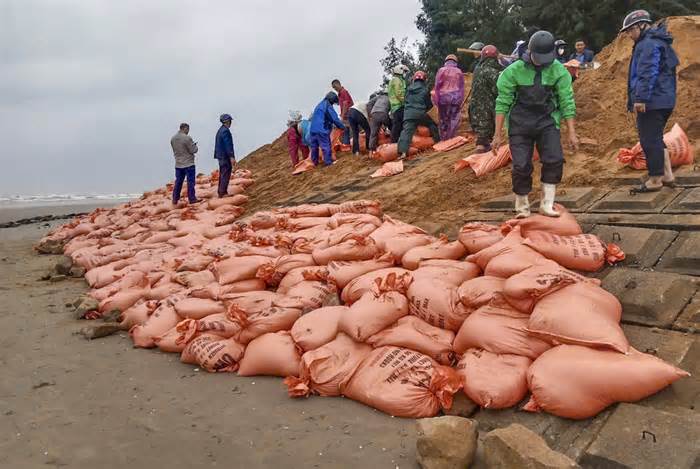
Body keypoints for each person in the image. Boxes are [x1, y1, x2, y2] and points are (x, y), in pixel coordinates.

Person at [492, 31, 579, 218]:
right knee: (521, 165)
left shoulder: (558, 70)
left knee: (554, 159)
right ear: (529, 52)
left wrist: (572, 132)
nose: (543, 62)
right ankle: (522, 206)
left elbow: (566, 101)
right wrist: (497, 134)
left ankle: (547, 203)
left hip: (547, 121)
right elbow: (502, 102)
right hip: (520, 123)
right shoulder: (513, 72)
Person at [621, 10, 679, 192]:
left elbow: (647, 72)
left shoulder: (647, 44)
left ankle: (655, 180)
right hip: (664, 99)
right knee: (656, 138)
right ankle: (668, 175)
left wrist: (640, 98)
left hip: (652, 101)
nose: (629, 35)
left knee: (649, 140)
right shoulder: (660, 41)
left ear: (641, 25)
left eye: (630, 31)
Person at [397, 71, 440, 159]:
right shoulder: (425, 89)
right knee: (432, 124)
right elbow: (429, 105)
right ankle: (438, 142)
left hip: (408, 115)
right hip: (420, 113)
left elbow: (405, 101)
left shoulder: (408, 90)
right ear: (424, 79)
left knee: (406, 131)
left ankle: (403, 153)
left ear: (414, 79)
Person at [469, 45, 502, 152]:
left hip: (475, 109)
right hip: (487, 108)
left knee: (482, 132)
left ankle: (481, 146)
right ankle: (482, 155)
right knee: (486, 131)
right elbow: (499, 91)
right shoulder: (493, 72)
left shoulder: (477, 70)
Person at [309, 92, 345, 166]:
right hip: (321, 129)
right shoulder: (327, 105)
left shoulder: (319, 105)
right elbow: (334, 118)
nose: (333, 104)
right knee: (326, 146)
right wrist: (342, 126)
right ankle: (328, 162)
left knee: (314, 147)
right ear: (331, 100)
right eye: (334, 102)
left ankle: (314, 163)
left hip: (313, 129)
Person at [434, 54, 465, 140]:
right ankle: (451, 138)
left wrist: (437, 100)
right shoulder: (459, 71)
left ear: (446, 61)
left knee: (443, 120)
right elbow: (462, 88)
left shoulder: (441, 70)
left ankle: (444, 139)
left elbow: (437, 86)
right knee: (454, 119)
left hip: (443, 99)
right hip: (455, 98)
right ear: (455, 62)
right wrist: (461, 100)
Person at [170, 123, 199, 205]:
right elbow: (193, 150)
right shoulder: (187, 138)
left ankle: (175, 199)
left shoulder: (173, 138)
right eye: (188, 129)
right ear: (185, 128)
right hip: (188, 164)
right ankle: (192, 199)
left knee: (178, 182)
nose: (188, 131)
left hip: (178, 164)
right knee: (190, 182)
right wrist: (195, 146)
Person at [214, 114, 236, 198]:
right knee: (225, 174)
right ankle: (223, 193)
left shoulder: (220, 130)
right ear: (227, 121)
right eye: (230, 121)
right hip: (225, 156)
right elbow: (228, 145)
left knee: (223, 173)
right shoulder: (225, 131)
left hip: (221, 156)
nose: (231, 123)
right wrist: (231, 156)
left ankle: (221, 192)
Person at [388, 64, 409, 143]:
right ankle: (395, 142)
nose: (405, 73)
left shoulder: (396, 80)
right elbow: (399, 93)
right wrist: (405, 102)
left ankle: (396, 142)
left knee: (397, 125)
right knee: (398, 126)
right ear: (400, 70)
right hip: (399, 106)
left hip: (395, 106)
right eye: (404, 71)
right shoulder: (397, 80)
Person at [331, 79, 354, 147]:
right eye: (333, 88)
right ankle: (346, 145)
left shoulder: (344, 92)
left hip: (349, 113)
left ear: (338, 84)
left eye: (335, 87)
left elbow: (345, 104)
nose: (335, 89)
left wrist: (342, 116)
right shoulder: (339, 95)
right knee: (345, 129)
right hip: (346, 115)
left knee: (348, 129)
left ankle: (348, 145)